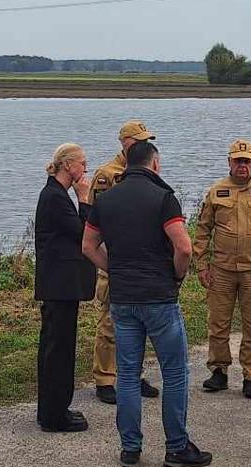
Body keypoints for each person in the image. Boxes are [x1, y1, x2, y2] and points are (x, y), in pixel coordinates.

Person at [81, 139, 213, 467]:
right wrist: (176, 275)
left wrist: (115, 269)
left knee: (127, 374)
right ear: (154, 164)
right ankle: (177, 447)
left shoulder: (106, 200)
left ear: (126, 164)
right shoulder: (163, 198)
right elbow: (184, 247)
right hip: (159, 298)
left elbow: (88, 246)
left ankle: (130, 448)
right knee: (175, 373)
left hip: (123, 299)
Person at [192, 139, 251, 400]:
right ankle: (219, 371)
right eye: (238, 160)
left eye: (247, 161)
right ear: (229, 161)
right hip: (222, 269)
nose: (242, 165)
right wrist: (202, 265)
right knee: (218, 323)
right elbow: (203, 230)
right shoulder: (217, 191)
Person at [88, 120, 160, 406]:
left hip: (140, 259)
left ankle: (132, 375)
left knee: (139, 323)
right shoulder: (107, 175)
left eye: (146, 141)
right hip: (114, 258)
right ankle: (105, 378)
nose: (143, 145)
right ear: (125, 143)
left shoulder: (148, 172)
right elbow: (95, 220)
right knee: (109, 323)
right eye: (138, 141)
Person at [33, 143, 97, 433]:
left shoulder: (55, 195)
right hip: (59, 286)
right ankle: (54, 414)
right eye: (82, 163)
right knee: (58, 350)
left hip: (59, 285)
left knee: (56, 347)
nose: (86, 168)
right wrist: (84, 199)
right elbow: (83, 233)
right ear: (68, 165)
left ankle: (52, 409)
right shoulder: (55, 197)